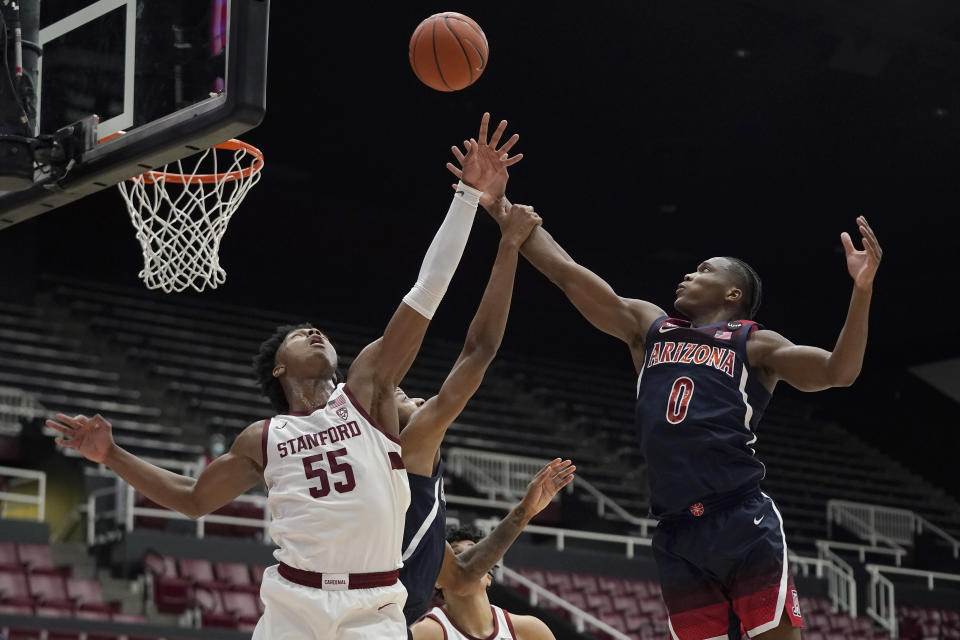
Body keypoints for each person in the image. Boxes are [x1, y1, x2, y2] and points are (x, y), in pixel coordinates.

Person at [44, 112, 519, 640]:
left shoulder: (367, 392)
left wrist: (465, 197)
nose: (315, 331)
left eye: (318, 331)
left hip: (373, 606)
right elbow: (193, 497)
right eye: (300, 334)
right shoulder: (264, 438)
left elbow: (425, 292)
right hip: (294, 603)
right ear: (279, 366)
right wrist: (111, 455)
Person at [447, 148, 882, 640]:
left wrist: (862, 291)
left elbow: (838, 372)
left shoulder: (754, 343)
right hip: (676, 530)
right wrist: (502, 207)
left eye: (703, 270)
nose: (688, 274)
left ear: (732, 294)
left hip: (740, 516)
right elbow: (567, 274)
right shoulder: (650, 329)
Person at [395, 147, 574, 628]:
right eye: (404, 397)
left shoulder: (380, 460)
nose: (416, 397)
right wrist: (508, 244)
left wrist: (523, 511)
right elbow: (479, 348)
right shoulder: (409, 446)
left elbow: (465, 573)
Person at [410, 523, 557, 640]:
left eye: (476, 559)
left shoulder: (530, 630)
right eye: (457, 555)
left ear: (488, 577)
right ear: (438, 581)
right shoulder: (425, 633)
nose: (469, 564)